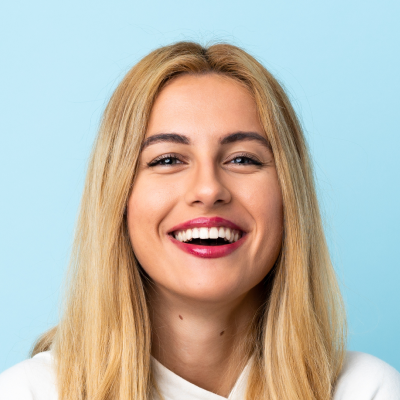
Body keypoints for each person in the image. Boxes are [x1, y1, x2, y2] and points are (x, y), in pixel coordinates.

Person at [0, 41, 399, 400]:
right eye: (168, 159)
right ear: (118, 199)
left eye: (243, 158)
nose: (208, 189)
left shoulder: (368, 390)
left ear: (289, 197)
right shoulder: (31, 393)